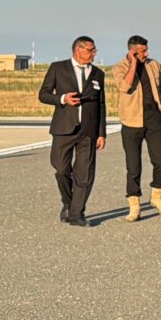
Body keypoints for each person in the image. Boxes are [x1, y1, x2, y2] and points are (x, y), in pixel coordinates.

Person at [38, 36, 108, 227]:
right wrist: (62, 99)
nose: (94, 53)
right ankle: (68, 203)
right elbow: (43, 95)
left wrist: (101, 133)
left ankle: (77, 214)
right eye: (91, 50)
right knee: (61, 170)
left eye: (95, 50)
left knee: (84, 174)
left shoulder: (98, 74)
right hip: (63, 128)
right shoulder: (58, 68)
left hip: (88, 130)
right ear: (79, 50)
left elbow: (101, 104)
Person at [112, 35, 161, 222]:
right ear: (132, 51)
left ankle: (157, 195)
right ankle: (134, 204)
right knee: (133, 166)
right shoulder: (119, 68)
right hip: (131, 121)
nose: (147, 54)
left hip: (154, 119)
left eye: (147, 50)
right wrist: (133, 64)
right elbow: (125, 86)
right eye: (142, 51)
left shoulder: (154, 65)